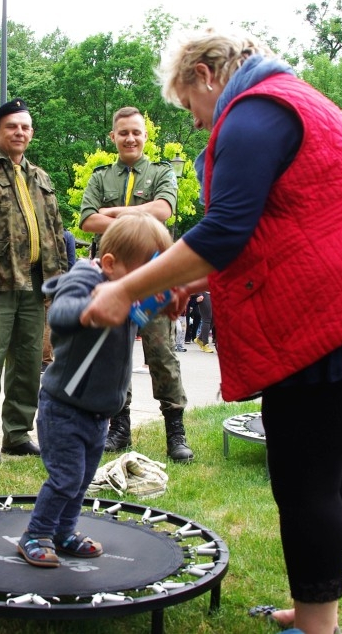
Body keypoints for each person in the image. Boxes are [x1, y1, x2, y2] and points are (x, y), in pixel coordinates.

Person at [79, 29, 342, 634]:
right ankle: (314, 612)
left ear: (205, 75)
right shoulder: (285, 100)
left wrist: (125, 287)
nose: (201, 126)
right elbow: (272, 229)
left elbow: (226, 230)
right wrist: (191, 283)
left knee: (304, 476)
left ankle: (316, 627)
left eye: (190, 107)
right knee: (327, 470)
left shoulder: (255, 111)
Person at [17, 212, 173, 567]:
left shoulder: (130, 291)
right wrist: (92, 310)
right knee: (66, 477)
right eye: (141, 277)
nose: (144, 285)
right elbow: (60, 314)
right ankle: (36, 533)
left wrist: (164, 298)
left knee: (82, 479)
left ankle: (64, 531)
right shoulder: (84, 278)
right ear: (109, 264)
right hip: (64, 407)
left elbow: (139, 316)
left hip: (99, 411)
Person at [0, 98, 68, 465]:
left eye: (25, 127)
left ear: (31, 133)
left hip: (37, 285)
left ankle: (18, 433)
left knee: (28, 362)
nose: (19, 132)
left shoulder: (41, 177)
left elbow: (55, 230)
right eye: (11, 126)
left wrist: (59, 280)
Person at [79, 107, 193, 462]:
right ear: (113, 137)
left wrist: (112, 213)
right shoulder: (100, 178)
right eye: (123, 132)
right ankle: (120, 428)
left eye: (136, 132)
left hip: (156, 279)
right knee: (115, 356)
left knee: (161, 355)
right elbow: (86, 221)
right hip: (114, 280)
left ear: (145, 137)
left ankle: (175, 430)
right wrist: (138, 213)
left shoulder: (161, 173)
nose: (130, 138)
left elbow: (163, 211)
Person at [41, 228, 78, 372]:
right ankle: (46, 360)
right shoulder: (67, 235)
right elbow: (71, 263)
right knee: (51, 322)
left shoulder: (43, 232)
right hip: (58, 282)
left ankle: (39, 357)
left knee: (40, 321)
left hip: (40, 281)